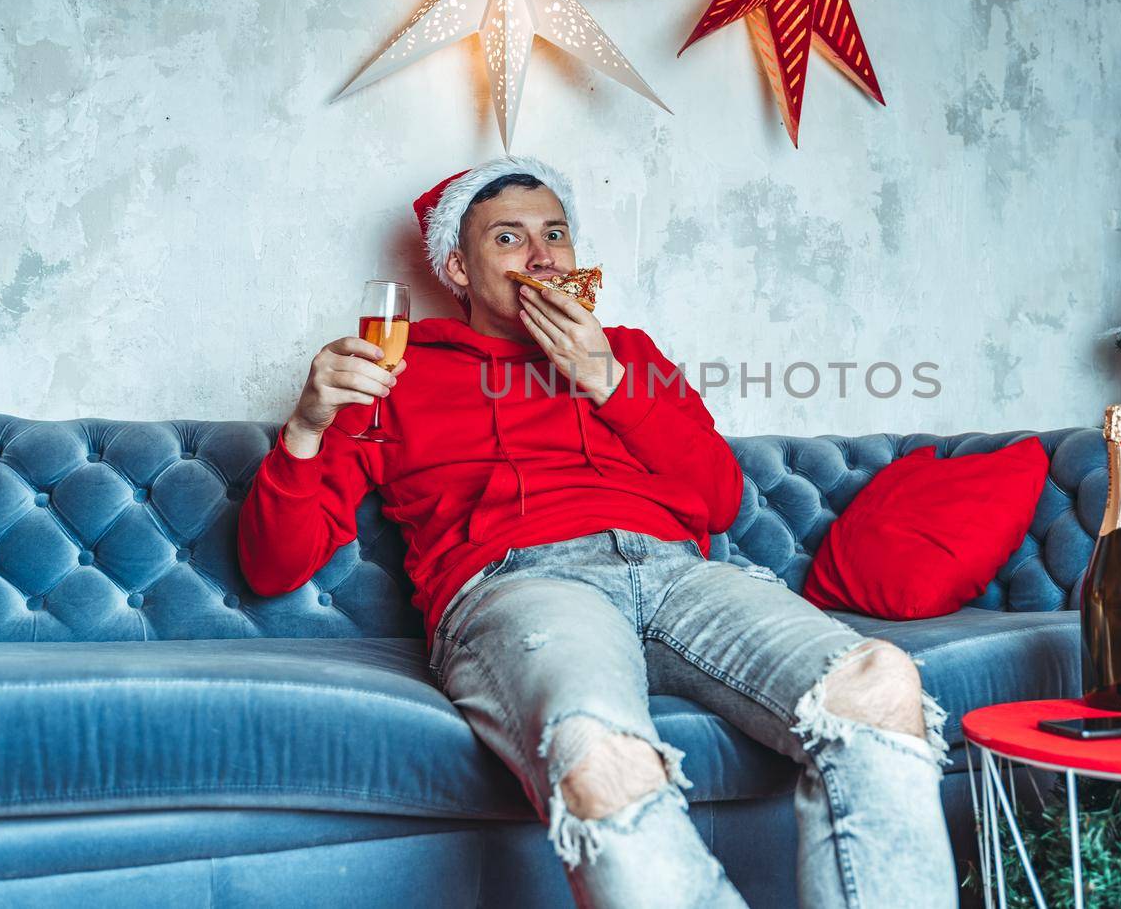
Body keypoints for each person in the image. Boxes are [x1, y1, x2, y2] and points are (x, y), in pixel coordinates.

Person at [237, 155, 957, 907]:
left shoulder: (628, 353)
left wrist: (607, 378)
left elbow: (716, 499)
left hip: (681, 574)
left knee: (879, 685)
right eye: (509, 238)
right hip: (522, 584)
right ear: (457, 265)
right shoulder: (396, 371)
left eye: (555, 233)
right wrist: (310, 423)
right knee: (601, 760)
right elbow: (273, 566)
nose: (543, 255)